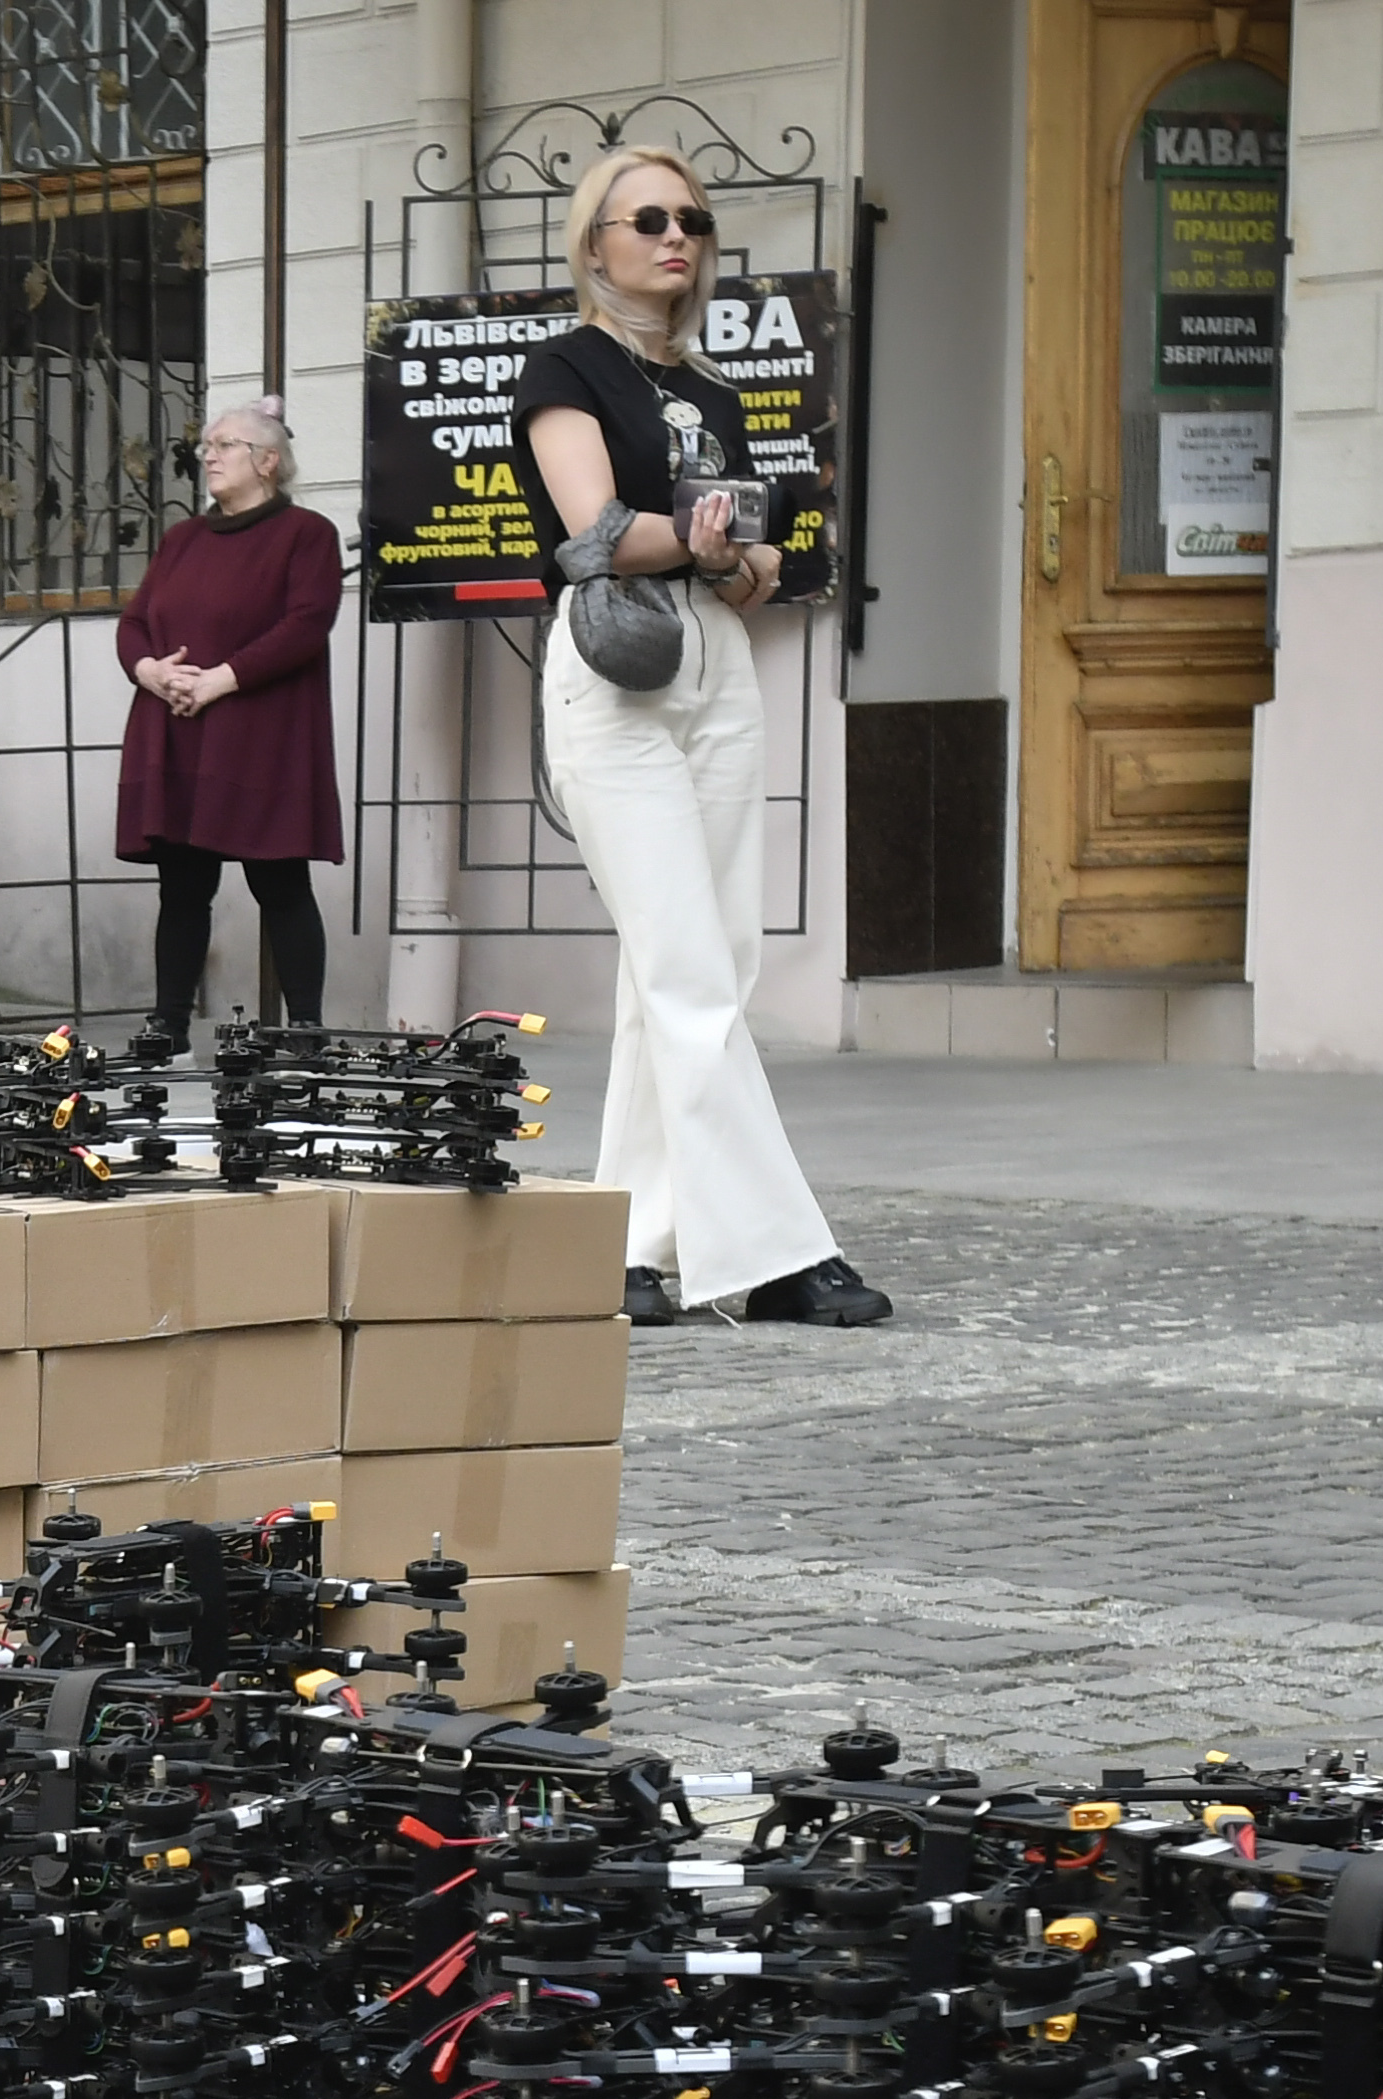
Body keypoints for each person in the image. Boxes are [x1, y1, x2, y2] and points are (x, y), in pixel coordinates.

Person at [515, 145, 890, 1327]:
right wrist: (709, 541)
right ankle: (774, 1253)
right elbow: (594, 529)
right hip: (615, 665)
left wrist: (742, 557)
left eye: (690, 220)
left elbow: (743, 566)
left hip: (713, 666)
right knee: (683, 968)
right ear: (597, 242)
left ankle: (625, 1242)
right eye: (647, 220)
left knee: (694, 965)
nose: (673, 237)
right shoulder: (562, 370)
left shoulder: (718, 393)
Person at [111, 398, 341, 1060]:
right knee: (182, 886)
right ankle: (169, 1026)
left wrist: (221, 678)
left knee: (280, 881)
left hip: (261, 730)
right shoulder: (183, 538)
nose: (208, 454)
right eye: (207, 445)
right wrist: (150, 670)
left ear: (267, 462)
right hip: (178, 725)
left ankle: (304, 1029)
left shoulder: (307, 534)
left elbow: (305, 623)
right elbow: (135, 621)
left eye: (225, 444)